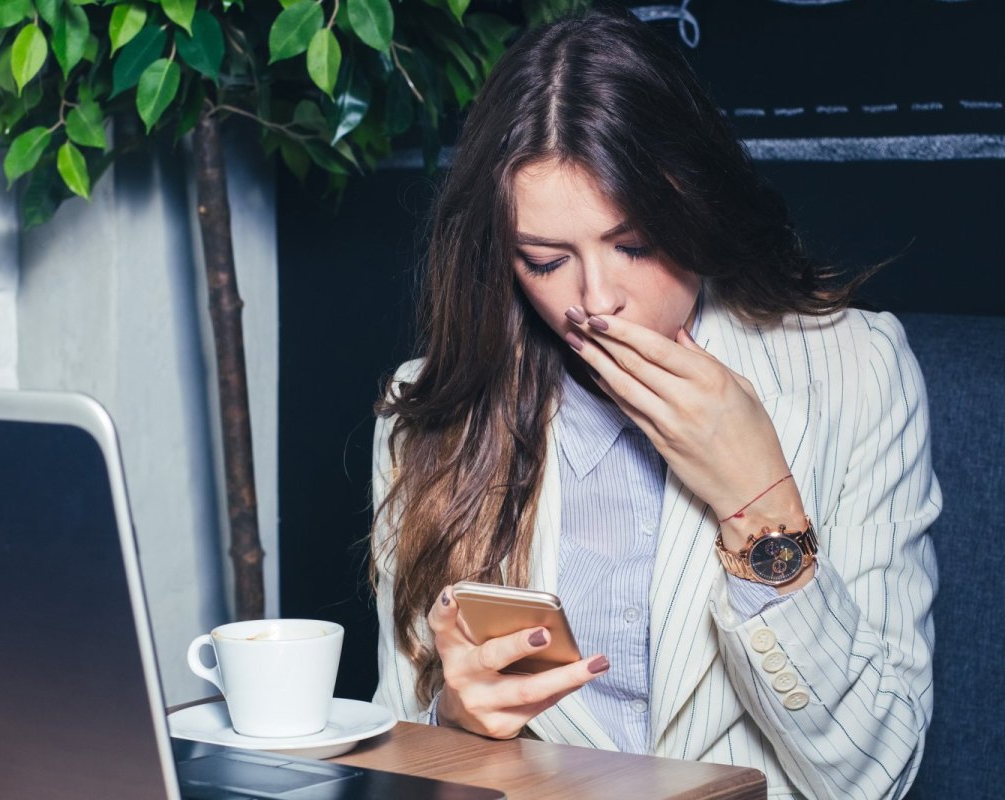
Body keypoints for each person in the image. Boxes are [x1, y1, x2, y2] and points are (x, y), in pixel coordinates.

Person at [368, 6, 940, 800]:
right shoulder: (429, 409)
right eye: (545, 260)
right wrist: (453, 720)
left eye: (633, 246)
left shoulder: (857, 370)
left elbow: (877, 771)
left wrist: (757, 497)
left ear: (696, 205)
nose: (594, 300)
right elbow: (392, 742)